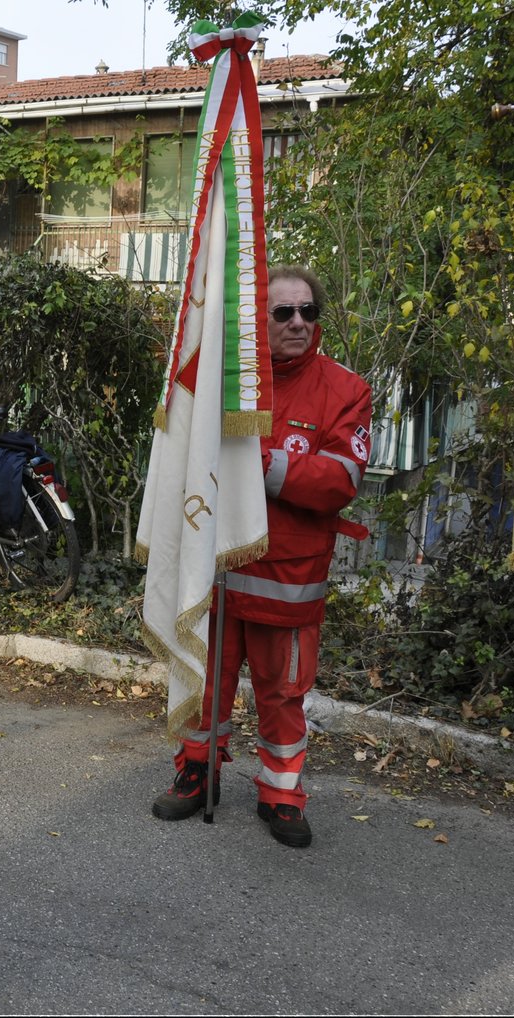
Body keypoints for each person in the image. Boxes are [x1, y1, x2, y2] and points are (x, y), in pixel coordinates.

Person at [151, 264, 372, 848]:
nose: (298, 322)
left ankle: (282, 795)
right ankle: (197, 772)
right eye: (283, 312)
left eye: (308, 312)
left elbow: (340, 480)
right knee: (205, 682)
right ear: (259, 320)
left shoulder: (345, 389)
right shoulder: (224, 383)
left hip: (288, 583)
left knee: (282, 697)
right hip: (218, 573)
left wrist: (259, 462)